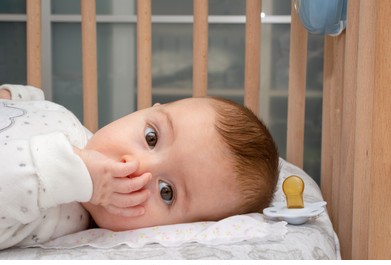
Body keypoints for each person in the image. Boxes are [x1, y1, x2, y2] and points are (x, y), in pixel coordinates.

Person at [0, 84, 279, 249]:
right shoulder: (75, 127)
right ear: (149, 108)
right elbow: (37, 108)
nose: (136, 166)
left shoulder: (56, 217)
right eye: (151, 137)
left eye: (166, 192)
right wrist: (16, 96)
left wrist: (69, 174)